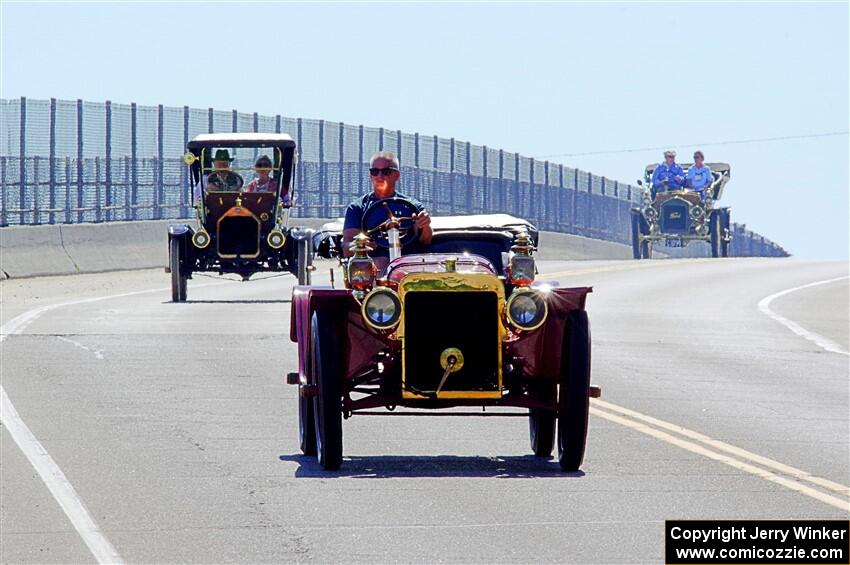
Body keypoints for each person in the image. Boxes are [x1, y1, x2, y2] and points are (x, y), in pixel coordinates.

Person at [342, 151, 432, 263]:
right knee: (381, 263)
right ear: (370, 175)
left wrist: (425, 225)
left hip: (407, 264)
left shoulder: (413, 207)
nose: (380, 176)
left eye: (386, 171)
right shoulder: (357, 208)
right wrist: (360, 245)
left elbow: (425, 241)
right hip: (373, 269)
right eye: (374, 171)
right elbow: (346, 248)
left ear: (397, 175)